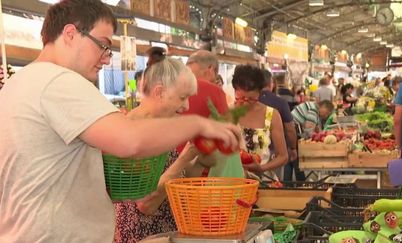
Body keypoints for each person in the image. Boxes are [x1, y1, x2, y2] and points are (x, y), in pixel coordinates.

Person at [0, 1, 241, 242]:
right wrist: (200, 125)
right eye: (103, 45)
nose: (106, 59)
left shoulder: (20, 83)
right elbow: (130, 141)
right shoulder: (59, 81)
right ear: (70, 33)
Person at [115, 58, 202, 242]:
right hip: (143, 235)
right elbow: (146, 203)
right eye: (182, 97)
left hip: (167, 232)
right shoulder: (130, 134)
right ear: (159, 92)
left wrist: (200, 157)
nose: (186, 106)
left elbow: (176, 176)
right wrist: (185, 158)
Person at [232, 65, 288, 181]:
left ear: (259, 92)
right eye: (241, 98)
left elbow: (283, 156)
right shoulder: (227, 113)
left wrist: (262, 168)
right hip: (233, 182)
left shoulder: (271, 115)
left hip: (264, 182)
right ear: (235, 91)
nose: (246, 103)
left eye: (251, 99)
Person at [260, 70, 297, 180]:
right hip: (275, 153)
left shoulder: (249, 102)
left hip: (252, 155)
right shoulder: (280, 102)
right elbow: (290, 129)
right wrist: (293, 147)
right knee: (273, 185)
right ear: (271, 83)